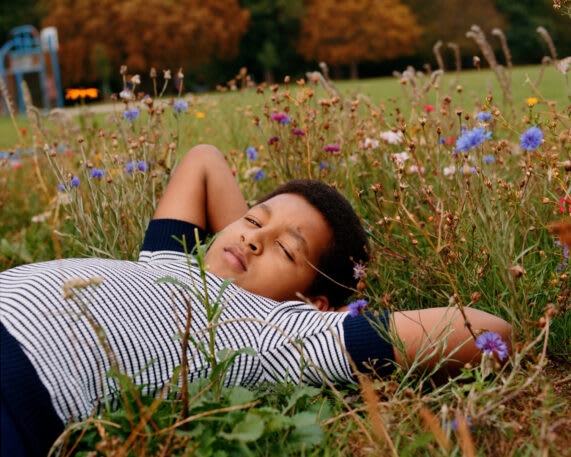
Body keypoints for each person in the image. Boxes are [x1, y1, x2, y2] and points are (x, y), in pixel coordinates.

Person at [0, 145, 512, 457]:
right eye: (251, 220)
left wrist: (324, 326)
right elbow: (203, 159)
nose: (251, 239)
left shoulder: (275, 333)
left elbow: (486, 330)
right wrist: (257, 235)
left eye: (287, 250)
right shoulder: (171, 260)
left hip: (19, 383)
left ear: (313, 303)